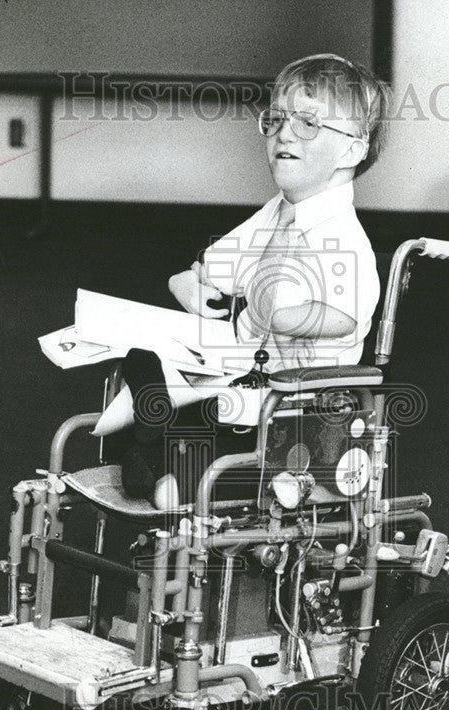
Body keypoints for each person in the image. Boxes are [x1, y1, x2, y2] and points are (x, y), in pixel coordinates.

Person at [120, 53, 391, 507]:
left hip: (298, 412)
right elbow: (213, 267)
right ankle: (159, 443)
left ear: (351, 149)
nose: (284, 132)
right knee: (144, 357)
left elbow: (342, 318)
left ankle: (173, 464)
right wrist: (187, 282)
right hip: (242, 378)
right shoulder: (276, 211)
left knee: (208, 424)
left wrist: (281, 311)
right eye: (277, 119)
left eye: (307, 123)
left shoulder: (345, 240)